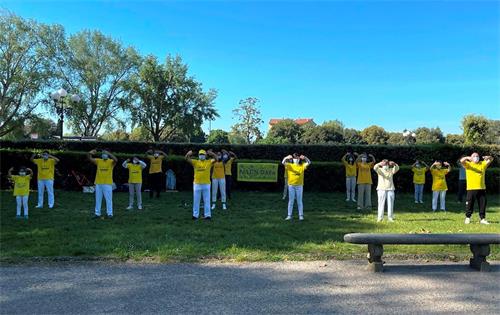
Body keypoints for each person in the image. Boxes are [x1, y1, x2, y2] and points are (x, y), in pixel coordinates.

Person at [460, 153, 494, 225]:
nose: (476, 157)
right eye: (474, 156)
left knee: (482, 204)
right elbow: (461, 161)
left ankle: (482, 219)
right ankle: (468, 218)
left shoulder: (482, 164)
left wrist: (489, 157)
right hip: (471, 188)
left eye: (477, 156)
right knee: (470, 204)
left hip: (481, 188)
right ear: (471, 157)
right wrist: (467, 157)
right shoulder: (468, 164)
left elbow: (491, 159)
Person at [186, 149, 217, 220]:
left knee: (207, 200)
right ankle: (195, 215)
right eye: (200, 154)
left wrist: (212, 153)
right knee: (196, 200)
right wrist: (188, 153)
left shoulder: (209, 162)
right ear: (198, 155)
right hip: (197, 184)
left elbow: (216, 159)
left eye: (203, 154)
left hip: (206, 184)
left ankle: (208, 215)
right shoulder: (195, 162)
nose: (201, 156)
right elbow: (186, 159)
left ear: (206, 155)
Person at [88, 149, 117, 218]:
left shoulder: (110, 162)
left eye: (105, 153)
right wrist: (89, 153)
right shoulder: (98, 161)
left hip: (107, 183)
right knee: (98, 199)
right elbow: (89, 158)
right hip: (98, 183)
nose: (104, 154)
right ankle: (97, 213)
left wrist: (109, 153)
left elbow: (116, 160)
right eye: (103, 153)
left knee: (108, 199)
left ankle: (110, 213)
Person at [282, 153, 311, 221]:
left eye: (297, 158)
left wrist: (305, 157)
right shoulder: (289, 165)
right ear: (292, 159)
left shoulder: (302, 165)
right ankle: (289, 215)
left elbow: (309, 162)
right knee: (291, 201)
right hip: (291, 185)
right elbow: (283, 162)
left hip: (299, 185)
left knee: (299, 201)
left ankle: (301, 216)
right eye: (294, 158)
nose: (295, 159)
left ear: (299, 158)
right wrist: (287, 157)